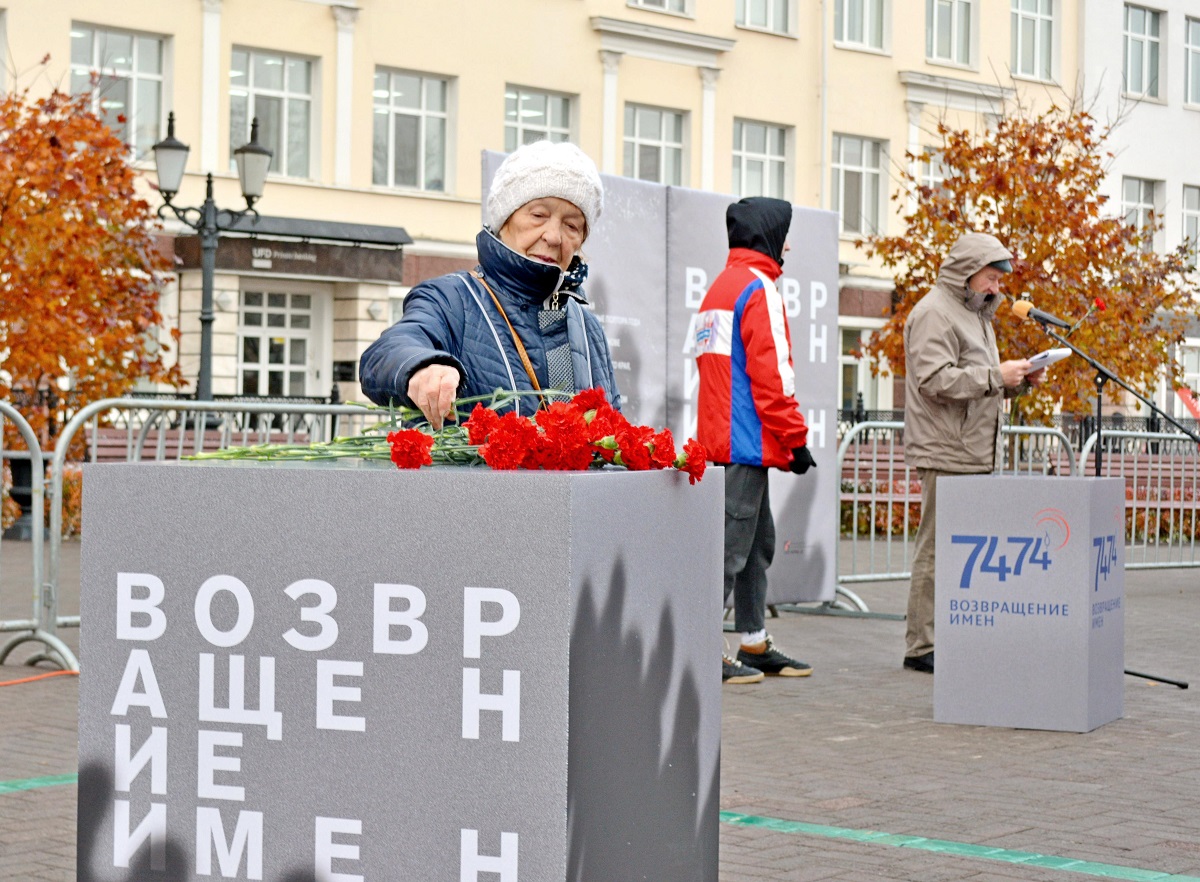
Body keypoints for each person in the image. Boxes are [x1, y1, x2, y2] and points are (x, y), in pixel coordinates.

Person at [359, 139, 621, 425]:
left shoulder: (588, 327)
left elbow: (614, 429)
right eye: (538, 215)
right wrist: (422, 368)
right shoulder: (451, 299)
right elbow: (386, 352)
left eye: (572, 225)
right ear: (503, 218)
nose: (553, 236)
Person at [901, 232, 1044, 674]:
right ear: (968, 272)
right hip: (946, 449)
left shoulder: (976, 315)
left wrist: (1016, 380)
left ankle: (954, 635)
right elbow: (935, 380)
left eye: (1002, 279)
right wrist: (995, 375)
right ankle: (922, 645)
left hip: (972, 449)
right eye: (992, 277)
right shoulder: (934, 313)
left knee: (961, 551)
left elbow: (980, 382)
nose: (999, 287)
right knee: (936, 547)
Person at [694, 196, 816, 685]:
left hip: (723, 442)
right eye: (783, 232)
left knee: (754, 544)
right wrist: (796, 439)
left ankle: (754, 641)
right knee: (729, 551)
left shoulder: (720, 287)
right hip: (745, 444)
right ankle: (703, 647)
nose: (787, 243)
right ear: (768, 234)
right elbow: (772, 375)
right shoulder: (758, 288)